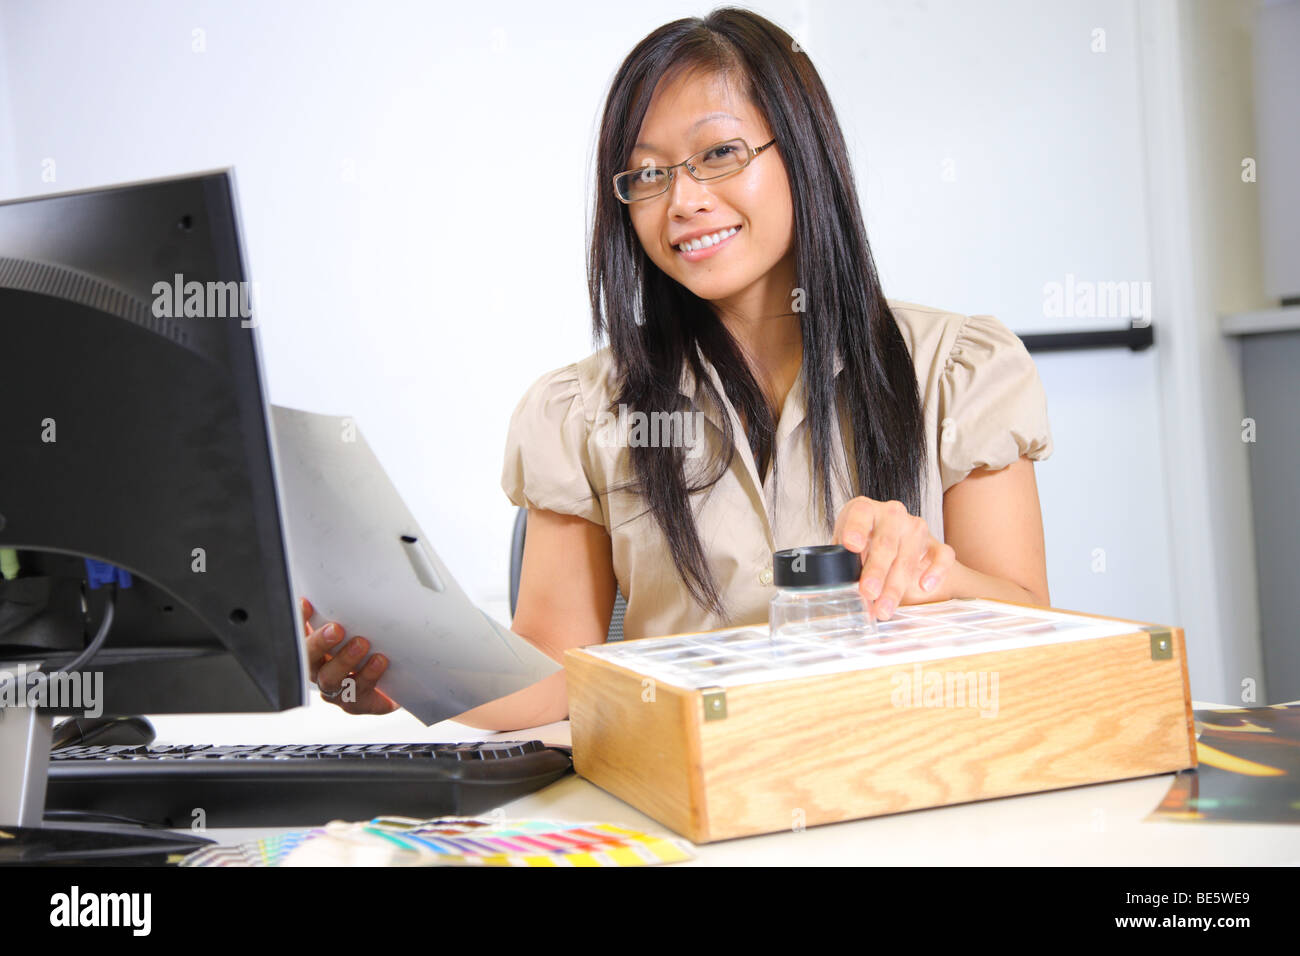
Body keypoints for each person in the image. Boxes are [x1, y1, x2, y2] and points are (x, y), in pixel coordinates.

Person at [303, 8, 1053, 731]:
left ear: (804, 149)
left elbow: (1035, 632)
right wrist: (405, 676)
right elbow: (553, 674)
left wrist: (932, 573)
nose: (683, 202)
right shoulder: (580, 411)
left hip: (900, 786)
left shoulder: (959, 369)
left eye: (719, 153)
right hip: (681, 804)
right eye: (647, 176)